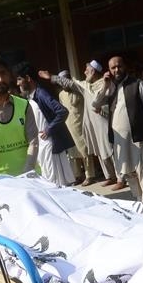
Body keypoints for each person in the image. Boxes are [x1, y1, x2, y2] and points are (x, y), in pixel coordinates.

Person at [38, 60, 122, 189]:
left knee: (110, 150)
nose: (84, 72)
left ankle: (121, 178)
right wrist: (51, 77)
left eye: (87, 70)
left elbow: (109, 99)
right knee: (100, 151)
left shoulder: (106, 83)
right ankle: (110, 176)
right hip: (93, 125)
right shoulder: (85, 86)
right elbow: (70, 83)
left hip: (105, 123)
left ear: (93, 71)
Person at [93, 56, 143, 204]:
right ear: (109, 70)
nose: (117, 70)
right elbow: (95, 105)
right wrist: (105, 85)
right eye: (113, 68)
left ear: (125, 66)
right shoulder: (109, 88)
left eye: (119, 66)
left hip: (138, 136)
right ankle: (139, 199)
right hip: (119, 140)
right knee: (128, 171)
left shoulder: (138, 84)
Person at [13, 62, 76, 187]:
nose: (17, 83)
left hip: (50, 146)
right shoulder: (30, 97)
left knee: (54, 183)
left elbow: (62, 111)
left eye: (19, 79)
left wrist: (48, 129)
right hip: (40, 147)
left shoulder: (41, 94)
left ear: (28, 78)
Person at [56, 70, 92, 184]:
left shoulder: (78, 90)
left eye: (65, 81)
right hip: (69, 126)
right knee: (73, 153)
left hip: (81, 125)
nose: (63, 84)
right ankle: (78, 175)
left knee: (84, 151)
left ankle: (89, 175)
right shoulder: (61, 94)